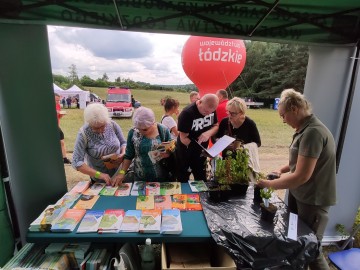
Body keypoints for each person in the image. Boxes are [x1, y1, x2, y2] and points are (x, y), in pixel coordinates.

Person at [257, 88, 336, 270]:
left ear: (294, 109)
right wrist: (282, 169)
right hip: (301, 195)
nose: (283, 120)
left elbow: (301, 176)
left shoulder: (313, 133)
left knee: (311, 249)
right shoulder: (305, 129)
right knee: (297, 243)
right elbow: (301, 161)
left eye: (283, 115)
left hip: (313, 199)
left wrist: (268, 184)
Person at [112, 107, 172, 186]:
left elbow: (171, 148)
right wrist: (122, 173)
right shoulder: (132, 133)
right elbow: (129, 156)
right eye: (138, 128)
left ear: (153, 123)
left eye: (145, 129)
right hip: (140, 179)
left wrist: (168, 153)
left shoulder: (163, 130)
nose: (141, 132)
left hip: (162, 179)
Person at [72, 103, 127, 185]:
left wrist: (123, 152)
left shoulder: (113, 125)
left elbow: (123, 143)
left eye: (103, 126)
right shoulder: (83, 134)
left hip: (119, 174)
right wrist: (99, 175)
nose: (101, 130)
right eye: (96, 128)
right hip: (99, 179)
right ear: (89, 123)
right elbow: (77, 162)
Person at [176, 93, 219, 182]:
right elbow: (183, 138)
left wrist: (208, 133)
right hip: (186, 151)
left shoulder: (210, 109)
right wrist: (198, 149)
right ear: (199, 102)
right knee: (183, 178)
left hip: (202, 151)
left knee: (201, 178)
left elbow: (216, 126)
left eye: (210, 112)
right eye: (205, 112)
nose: (208, 114)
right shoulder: (187, 113)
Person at [54, 93, 71, 164]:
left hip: (57, 126)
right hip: (50, 126)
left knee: (62, 142)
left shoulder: (58, 105)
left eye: (58, 100)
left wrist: (61, 115)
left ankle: (64, 158)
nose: (57, 102)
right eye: (56, 100)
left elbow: (58, 117)